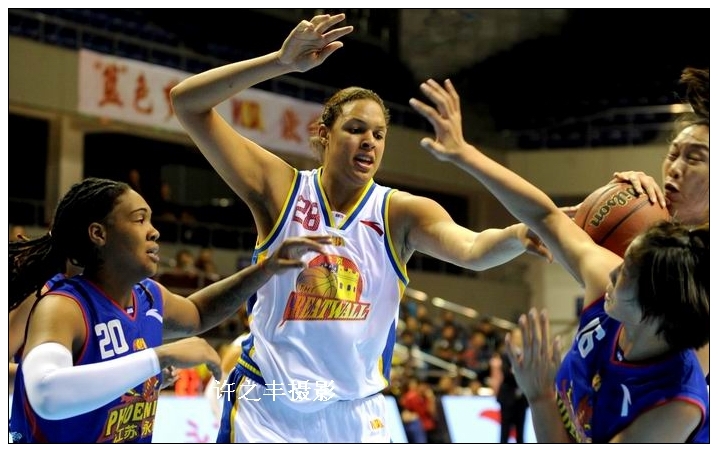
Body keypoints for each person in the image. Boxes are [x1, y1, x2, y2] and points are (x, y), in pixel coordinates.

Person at [170, 13, 549, 443]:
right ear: (324, 134)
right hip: (268, 409)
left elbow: (473, 249)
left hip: (355, 414)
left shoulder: (401, 212)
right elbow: (187, 103)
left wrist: (517, 235)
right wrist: (280, 62)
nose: (369, 140)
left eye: (379, 134)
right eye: (355, 129)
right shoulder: (281, 188)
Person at [409, 78, 709, 442]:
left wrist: (540, 398)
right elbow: (545, 215)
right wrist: (464, 153)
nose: (674, 167)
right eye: (673, 152)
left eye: (695, 157)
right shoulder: (613, 277)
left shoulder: (676, 396)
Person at [8, 177, 331, 443]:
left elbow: (199, 313)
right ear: (99, 234)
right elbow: (46, 394)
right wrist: (158, 357)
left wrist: (265, 269)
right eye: (139, 219)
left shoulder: (148, 297)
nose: (154, 231)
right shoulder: (64, 306)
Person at [489, 327, 529, 443]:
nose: (519, 339)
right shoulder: (505, 355)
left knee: (520, 432)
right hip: (507, 398)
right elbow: (506, 374)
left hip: (521, 399)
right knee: (505, 431)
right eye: (517, 337)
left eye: (521, 337)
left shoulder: (526, 355)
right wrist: (519, 373)